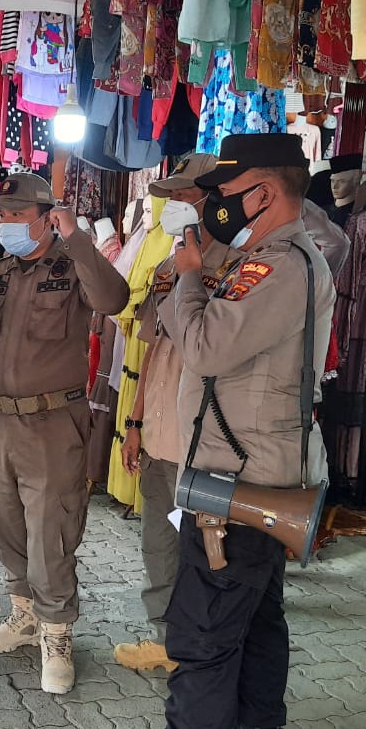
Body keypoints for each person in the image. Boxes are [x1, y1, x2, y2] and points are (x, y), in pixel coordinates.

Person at [96, 134, 335, 729]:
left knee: (202, 640)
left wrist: (189, 275)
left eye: (229, 191)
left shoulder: (280, 265)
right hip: (254, 473)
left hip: (240, 485)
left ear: (264, 190)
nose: (220, 204)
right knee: (256, 625)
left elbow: (199, 346)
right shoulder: (276, 261)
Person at [0, 174, 130, 695]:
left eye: (12, 215)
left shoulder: (74, 265)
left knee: (50, 529)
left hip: (53, 422)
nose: (3, 224)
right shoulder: (1, 273)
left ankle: (57, 636)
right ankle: (24, 617)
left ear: (45, 217)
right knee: (5, 521)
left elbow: (114, 299)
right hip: (0, 420)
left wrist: (78, 238)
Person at [113, 153, 223, 675]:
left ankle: (202, 649)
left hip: (203, 441)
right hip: (158, 430)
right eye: (173, 197)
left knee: (203, 548)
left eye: (183, 196)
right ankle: (167, 640)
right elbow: (152, 349)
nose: (174, 206)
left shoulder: (234, 265)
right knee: (159, 541)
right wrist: (133, 424)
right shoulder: (165, 266)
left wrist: (196, 277)